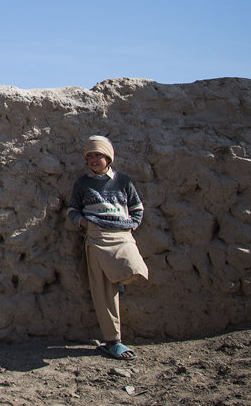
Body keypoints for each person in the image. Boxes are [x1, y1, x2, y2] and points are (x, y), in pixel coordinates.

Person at [67, 135, 149, 361]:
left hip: (122, 236)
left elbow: (137, 208)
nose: (94, 160)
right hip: (97, 237)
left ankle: (118, 279)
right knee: (103, 292)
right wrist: (86, 223)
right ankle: (113, 341)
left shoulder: (123, 182)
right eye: (90, 156)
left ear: (108, 157)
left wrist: (130, 225)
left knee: (135, 270)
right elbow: (72, 210)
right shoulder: (82, 184)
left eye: (99, 155)